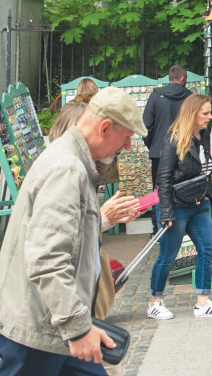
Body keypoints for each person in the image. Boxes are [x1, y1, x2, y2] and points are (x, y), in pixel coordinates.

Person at [0, 87, 147, 374]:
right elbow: (47, 259)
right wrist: (78, 329)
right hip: (39, 329)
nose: (128, 147)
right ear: (105, 127)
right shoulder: (67, 169)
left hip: (56, 322)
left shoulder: (73, 162)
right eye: (126, 138)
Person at [48, 102, 141, 321]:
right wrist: (104, 217)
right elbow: (56, 244)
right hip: (62, 312)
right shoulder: (65, 171)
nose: (125, 147)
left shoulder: (81, 170)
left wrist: (110, 218)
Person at [148, 94, 212, 320]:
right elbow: (162, 178)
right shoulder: (174, 138)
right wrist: (166, 211)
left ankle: (203, 303)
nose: (210, 117)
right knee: (168, 255)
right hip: (176, 205)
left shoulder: (202, 135)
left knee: (208, 248)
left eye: (209, 112)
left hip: (198, 203)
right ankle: (155, 302)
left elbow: (204, 171)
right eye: (205, 113)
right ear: (192, 114)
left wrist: (206, 198)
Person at [143, 65, 192, 229]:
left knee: (159, 191)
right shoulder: (189, 98)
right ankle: (183, 229)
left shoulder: (156, 96)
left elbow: (146, 125)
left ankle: (158, 228)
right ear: (183, 79)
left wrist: (153, 145)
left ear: (169, 78)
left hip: (159, 152)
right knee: (184, 188)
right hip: (184, 151)